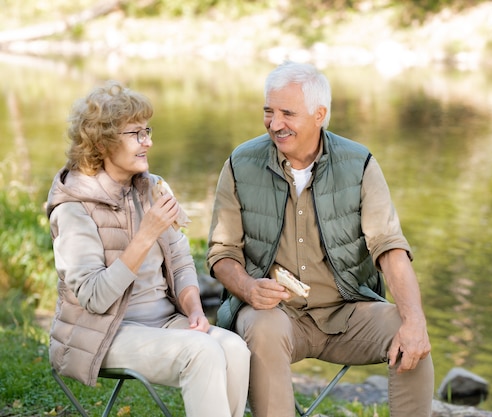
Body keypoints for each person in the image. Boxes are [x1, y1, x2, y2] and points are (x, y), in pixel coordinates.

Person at [207, 61, 434, 417]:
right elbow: (222, 252)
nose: (274, 123)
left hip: (346, 313)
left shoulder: (359, 164)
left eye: (287, 113)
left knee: (409, 332)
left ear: (319, 114)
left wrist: (415, 320)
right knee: (261, 328)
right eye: (269, 111)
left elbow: (389, 248)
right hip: (275, 316)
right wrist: (248, 288)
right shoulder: (240, 163)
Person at [46, 80, 250, 417]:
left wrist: (195, 310)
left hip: (165, 323)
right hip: (103, 334)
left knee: (234, 347)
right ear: (103, 143)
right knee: (202, 351)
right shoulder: (73, 208)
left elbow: (182, 260)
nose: (148, 142)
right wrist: (144, 235)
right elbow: (94, 298)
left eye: (147, 131)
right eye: (136, 134)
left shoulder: (152, 187)